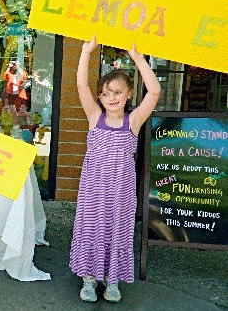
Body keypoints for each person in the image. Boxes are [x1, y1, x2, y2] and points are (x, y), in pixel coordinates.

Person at [71, 36, 161, 303]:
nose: (111, 98)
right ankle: (88, 279)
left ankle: (112, 280)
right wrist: (86, 52)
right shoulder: (94, 117)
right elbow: (80, 84)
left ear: (129, 94)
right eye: (106, 93)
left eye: (118, 92)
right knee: (91, 229)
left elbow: (154, 92)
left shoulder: (133, 121)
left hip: (120, 194)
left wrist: (139, 60)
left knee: (117, 231)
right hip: (93, 191)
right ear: (99, 96)